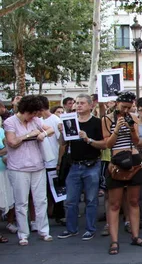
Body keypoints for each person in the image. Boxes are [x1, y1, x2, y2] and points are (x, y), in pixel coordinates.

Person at [101, 91, 142, 255]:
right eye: (124, 107)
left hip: (134, 161)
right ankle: (114, 240)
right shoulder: (106, 119)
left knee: (134, 201)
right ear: (116, 103)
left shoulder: (133, 118)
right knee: (115, 204)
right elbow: (108, 144)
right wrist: (117, 129)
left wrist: (131, 128)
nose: (126, 110)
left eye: (129, 107)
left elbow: (136, 141)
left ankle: (136, 236)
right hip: (117, 163)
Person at [4, 95, 55, 245]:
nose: (33, 117)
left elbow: (50, 129)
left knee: (41, 200)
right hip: (18, 167)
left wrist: (43, 133)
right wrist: (29, 135)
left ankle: (43, 231)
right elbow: (12, 142)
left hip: (37, 164)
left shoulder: (36, 120)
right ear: (25, 110)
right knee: (21, 202)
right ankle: (23, 234)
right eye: (32, 113)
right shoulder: (10, 122)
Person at [57, 94, 105, 241]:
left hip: (92, 164)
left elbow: (104, 144)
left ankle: (90, 229)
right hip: (74, 165)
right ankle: (71, 229)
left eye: (82, 103)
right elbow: (63, 143)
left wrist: (88, 139)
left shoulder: (97, 122)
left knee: (91, 200)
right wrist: (62, 132)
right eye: (77, 103)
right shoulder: (70, 121)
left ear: (91, 106)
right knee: (71, 200)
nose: (78, 105)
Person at [38, 96, 63, 224]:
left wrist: (59, 162)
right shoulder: (39, 120)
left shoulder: (56, 120)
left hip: (53, 160)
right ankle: (49, 213)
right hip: (42, 162)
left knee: (56, 189)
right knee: (45, 190)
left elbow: (61, 142)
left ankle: (59, 214)